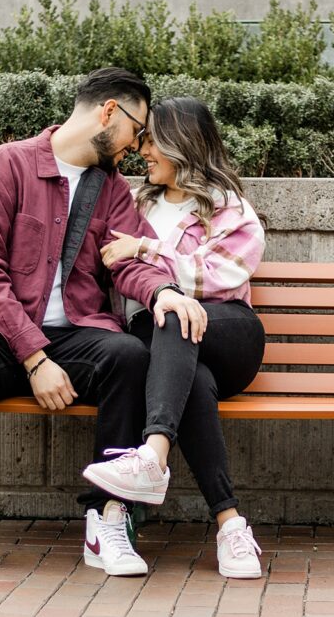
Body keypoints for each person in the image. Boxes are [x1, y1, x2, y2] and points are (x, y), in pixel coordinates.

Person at [0, 68, 207, 576]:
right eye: (136, 130)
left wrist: (163, 291)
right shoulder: (3, 167)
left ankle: (108, 515)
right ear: (108, 113)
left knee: (128, 357)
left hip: (76, 334)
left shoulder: (111, 190)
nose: (137, 145)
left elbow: (129, 260)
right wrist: (35, 357)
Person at [81, 97, 268, 579]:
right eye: (141, 139)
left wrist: (147, 247)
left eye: (151, 139)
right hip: (169, 352)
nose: (142, 149)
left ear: (182, 143)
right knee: (190, 376)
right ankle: (230, 525)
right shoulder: (135, 202)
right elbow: (118, 269)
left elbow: (216, 277)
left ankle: (153, 455)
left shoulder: (231, 208)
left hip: (229, 332)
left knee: (176, 312)